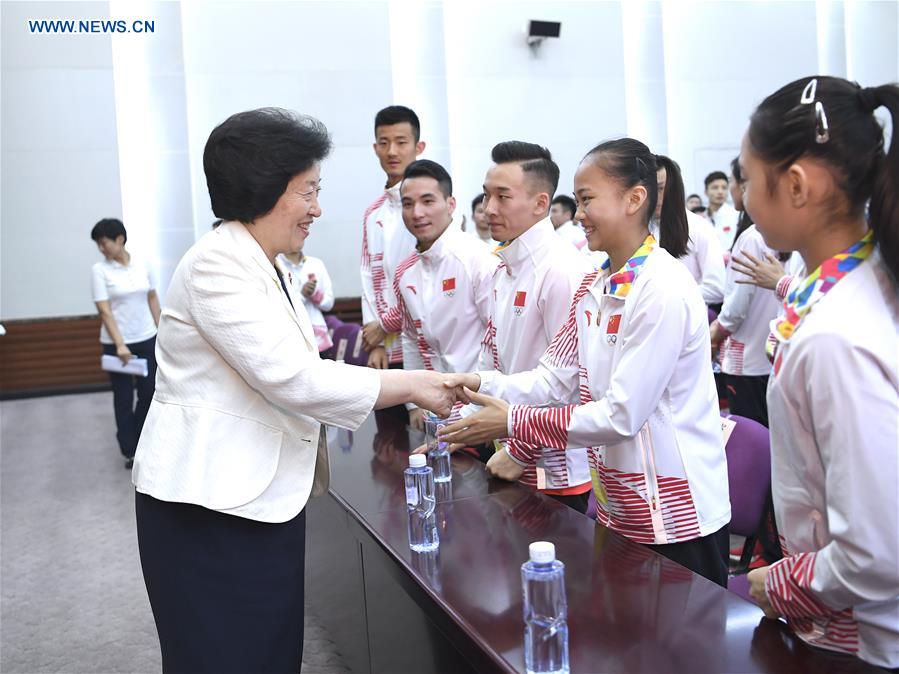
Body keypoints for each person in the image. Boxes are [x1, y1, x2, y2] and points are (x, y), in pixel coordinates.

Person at [132, 108, 463, 674]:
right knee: (222, 656)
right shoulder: (218, 265)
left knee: (269, 649)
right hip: (208, 506)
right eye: (308, 192)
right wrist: (415, 384)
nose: (318, 208)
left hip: (256, 495)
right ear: (265, 187)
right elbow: (294, 377)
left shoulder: (264, 261)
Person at [441, 139, 732, 586]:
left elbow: (622, 416)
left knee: (679, 652)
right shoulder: (596, 284)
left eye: (587, 200)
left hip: (676, 517)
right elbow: (554, 380)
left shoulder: (662, 288)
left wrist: (515, 424)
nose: (577, 215)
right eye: (577, 201)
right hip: (618, 505)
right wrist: (475, 383)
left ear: (634, 199)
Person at [741, 77, 899, 669]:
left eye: (750, 179)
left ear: (798, 186)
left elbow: (875, 553)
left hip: (861, 639)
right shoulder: (859, 283)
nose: (746, 198)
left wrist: (779, 585)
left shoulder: (837, 337)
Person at [470, 141, 595, 512]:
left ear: (541, 203)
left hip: (551, 465)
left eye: (502, 197)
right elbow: (490, 359)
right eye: (486, 196)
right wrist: (462, 425)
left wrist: (520, 451)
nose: (488, 208)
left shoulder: (562, 270)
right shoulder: (502, 267)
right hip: (505, 446)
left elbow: (569, 383)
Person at [378, 159, 497, 430]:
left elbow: (497, 342)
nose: (417, 213)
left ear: (451, 204)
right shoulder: (406, 271)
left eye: (428, 201)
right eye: (408, 204)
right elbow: (410, 338)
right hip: (436, 413)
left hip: (485, 411)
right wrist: (413, 403)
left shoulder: (478, 259)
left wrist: (475, 409)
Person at [709, 157, 780, 426]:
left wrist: (715, 332)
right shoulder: (773, 233)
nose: (730, 189)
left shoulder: (752, 237)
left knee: (753, 434)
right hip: (769, 353)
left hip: (747, 356)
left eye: (733, 182)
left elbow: (737, 306)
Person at [90, 218, 160, 469]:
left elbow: (152, 297)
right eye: (98, 244)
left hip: (146, 337)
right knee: (122, 397)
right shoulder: (100, 270)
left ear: (120, 239)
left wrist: (161, 328)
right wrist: (120, 345)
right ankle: (130, 449)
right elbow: (105, 310)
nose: (101, 248)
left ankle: (143, 440)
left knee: (150, 391)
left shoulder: (143, 264)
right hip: (116, 345)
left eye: (104, 242)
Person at [360, 105, 424, 370]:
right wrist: (375, 342)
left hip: (423, 346)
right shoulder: (373, 213)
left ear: (418, 147)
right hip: (385, 351)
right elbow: (368, 280)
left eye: (401, 142)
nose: (392, 152)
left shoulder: (428, 209)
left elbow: (424, 280)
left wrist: (384, 326)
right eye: (384, 143)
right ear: (375, 148)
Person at [653, 155, 725, 304]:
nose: (656, 197)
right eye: (651, 189)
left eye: (660, 188)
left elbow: (717, 288)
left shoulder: (699, 227)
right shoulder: (640, 227)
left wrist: (662, 297)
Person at [278, 245, 335, 353]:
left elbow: (329, 304)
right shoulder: (277, 265)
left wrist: (314, 294)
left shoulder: (316, 264)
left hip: (319, 340)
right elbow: (280, 306)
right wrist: (302, 294)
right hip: (290, 337)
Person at [705, 170, 740, 249]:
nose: (720, 192)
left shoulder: (736, 215)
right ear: (706, 191)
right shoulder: (701, 218)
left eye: (724, 188)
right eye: (715, 188)